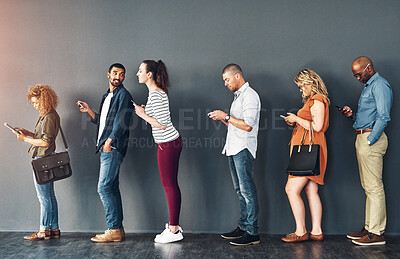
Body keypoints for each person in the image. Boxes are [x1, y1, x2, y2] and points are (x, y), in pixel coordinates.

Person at [77, 63, 133, 242]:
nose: (119, 76)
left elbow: (122, 121)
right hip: (105, 146)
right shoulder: (107, 96)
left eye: (122, 74)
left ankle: (113, 228)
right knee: (112, 188)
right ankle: (118, 230)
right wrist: (89, 111)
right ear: (108, 74)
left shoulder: (124, 94)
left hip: (113, 147)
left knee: (103, 187)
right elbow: (104, 122)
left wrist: (110, 141)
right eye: (115, 73)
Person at [341, 56, 392, 246]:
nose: (357, 79)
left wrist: (370, 140)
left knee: (374, 187)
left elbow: (384, 116)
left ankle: (377, 233)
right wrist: (352, 115)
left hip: (371, 140)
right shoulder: (369, 86)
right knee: (368, 187)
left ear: (368, 68)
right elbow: (367, 117)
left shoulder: (380, 85)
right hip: (362, 136)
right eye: (355, 76)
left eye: (359, 74)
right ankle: (370, 227)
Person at [209, 63, 261, 246]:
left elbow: (248, 125)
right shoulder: (238, 97)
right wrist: (224, 118)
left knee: (247, 190)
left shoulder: (250, 96)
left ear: (237, 75)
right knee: (240, 190)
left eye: (227, 79)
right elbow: (236, 125)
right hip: (232, 147)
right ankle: (244, 226)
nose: (225, 84)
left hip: (243, 149)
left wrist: (227, 116)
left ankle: (252, 232)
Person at [134, 60, 183, 244]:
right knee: (170, 185)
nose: (137, 74)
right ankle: (174, 226)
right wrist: (147, 112)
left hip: (167, 143)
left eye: (140, 71)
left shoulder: (155, 94)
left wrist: (142, 114)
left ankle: (174, 229)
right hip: (168, 143)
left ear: (149, 74)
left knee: (169, 186)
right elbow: (159, 117)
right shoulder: (155, 94)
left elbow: (161, 125)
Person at [281, 69, 330, 243]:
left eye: (302, 86)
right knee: (311, 190)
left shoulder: (317, 100)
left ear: (310, 83)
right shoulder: (313, 100)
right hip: (312, 149)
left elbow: (317, 127)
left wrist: (296, 119)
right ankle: (316, 231)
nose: (301, 90)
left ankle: (301, 231)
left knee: (291, 189)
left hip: (309, 150)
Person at [13, 84, 61, 240]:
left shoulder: (48, 117)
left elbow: (46, 142)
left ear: (44, 99)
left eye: (35, 102)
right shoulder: (49, 115)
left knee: (44, 197)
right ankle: (53, 229)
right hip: (47, 159)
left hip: (43, 160)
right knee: (50, 196)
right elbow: (42, 136)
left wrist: (25, 139)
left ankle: (43, 230)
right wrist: (27, 133)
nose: (34, 105)